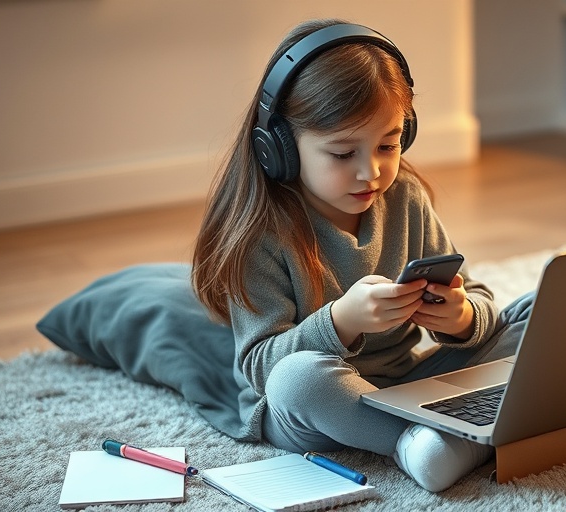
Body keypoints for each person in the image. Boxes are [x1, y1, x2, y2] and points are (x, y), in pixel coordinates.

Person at [191, 18, 533, 493]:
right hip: (324, 406)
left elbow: (476, 298)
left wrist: (460, 317)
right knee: (297, 379)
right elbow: (262, 367)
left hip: (412, 385)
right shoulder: (260, 234)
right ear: (280, 147)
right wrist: (340, 321)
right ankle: (418, 444)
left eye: (388, 144)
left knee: (545, 305)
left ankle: (455, 430)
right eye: (342, 153)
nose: (370, 171)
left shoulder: (407, 198)